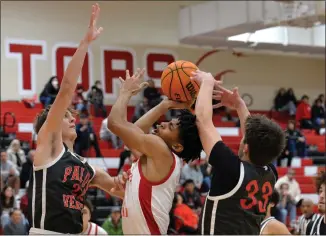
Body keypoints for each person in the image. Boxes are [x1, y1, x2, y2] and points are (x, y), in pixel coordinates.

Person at [27, 4, 126, 234]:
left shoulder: (84, 166)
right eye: (66, 116)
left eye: (73, 116)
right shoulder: (49, 148)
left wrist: (132, 182)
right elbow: (66, 89)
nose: (73, 119)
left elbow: (115, 187)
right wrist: (85, 43)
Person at [107, 69, 203, 234]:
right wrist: (164, 105)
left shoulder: (160, 150)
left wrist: (125, 92)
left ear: (178, 146)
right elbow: (133, 133)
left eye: (170, 126)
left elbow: (115, 124)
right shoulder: (159, 156)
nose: (163, 123)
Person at [191, 70, 285, 234]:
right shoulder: (270, 173)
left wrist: (207, 82)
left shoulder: (233, 170)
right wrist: (239, 105)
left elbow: (203, 121)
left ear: (246, 147)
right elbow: (253, 136)